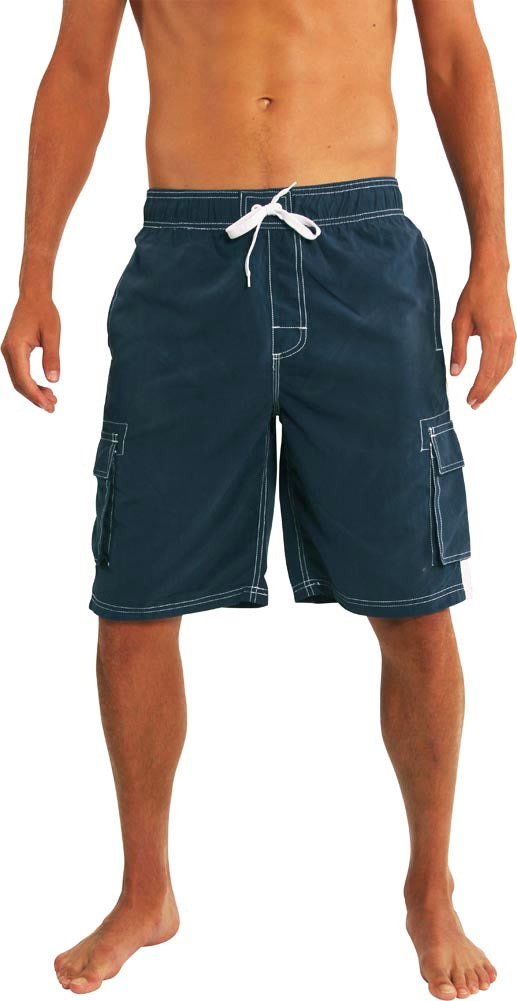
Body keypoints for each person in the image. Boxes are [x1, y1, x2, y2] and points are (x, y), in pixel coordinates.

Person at [2, 0, 514, 997]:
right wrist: (33, 275)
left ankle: (431, 888)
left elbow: (455, 54)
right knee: (134, 597)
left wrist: (491, 259)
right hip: (186, 255)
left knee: (415, 598)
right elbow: (75, 69)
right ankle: (146, 890)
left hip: (360, 244)